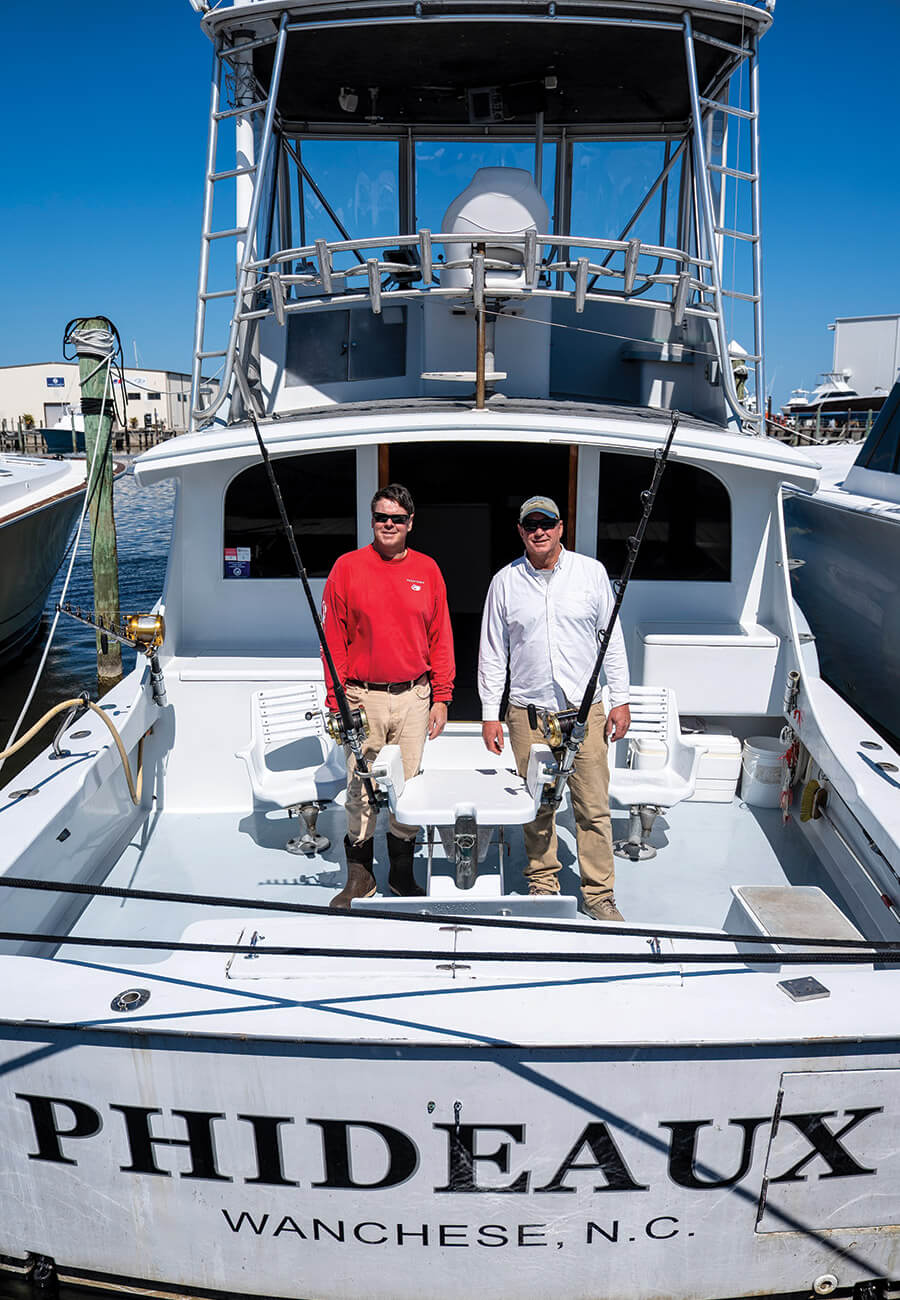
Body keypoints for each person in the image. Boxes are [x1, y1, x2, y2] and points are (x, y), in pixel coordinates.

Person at [478, 495, 631, 921]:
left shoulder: (591, 573)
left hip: (585, 713)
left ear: (562, 527)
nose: (539, 531)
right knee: (538, 806)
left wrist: (620, 699)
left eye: (547, 523)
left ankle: (599, 895)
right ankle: (542, 883)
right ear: (521, 531)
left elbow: (611, 640)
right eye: (531, 525)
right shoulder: (504, 582)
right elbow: (493, 652)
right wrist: (491, 712)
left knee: (593, 807)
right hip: (528, 714)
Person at [321, 483, 455, 908]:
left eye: (398, 518)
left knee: (407, 785)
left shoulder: (428, 570)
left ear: (410, 523)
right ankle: (360, 878)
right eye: (382, 517)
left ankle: (401, 874)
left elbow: (441, 637)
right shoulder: (346, 567)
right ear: (372, 521)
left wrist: (442, 697)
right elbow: (332, 640)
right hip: (362, 697)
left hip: (415, 696)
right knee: (360, 786)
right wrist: (336, 698)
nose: (389, 525)